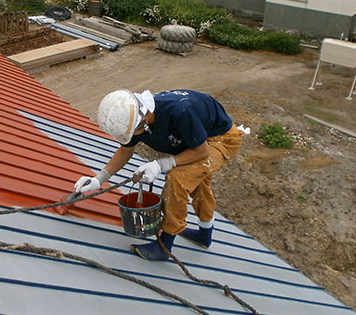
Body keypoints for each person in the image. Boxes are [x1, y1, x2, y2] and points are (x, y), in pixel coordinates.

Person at [74, 89, 243, 260]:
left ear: (143, 121)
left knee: (178, 178)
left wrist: (162, 164)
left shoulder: (178, 112)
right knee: (197, 181)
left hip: (220, 139)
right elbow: (126, 151)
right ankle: (205, 235)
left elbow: (202, 151)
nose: (131, 137)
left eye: (132, 133)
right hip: (195, 137)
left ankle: (164, 246)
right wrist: (99, 179)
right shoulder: (133, 116)